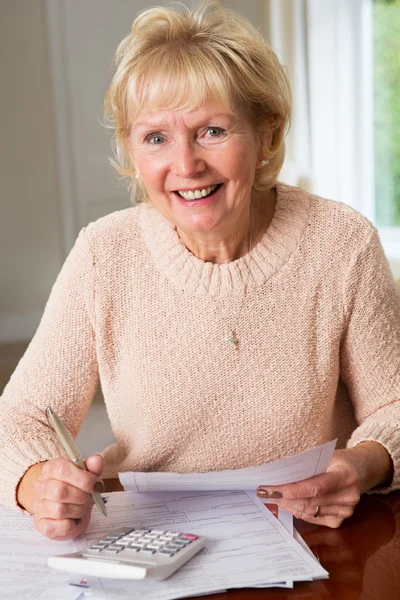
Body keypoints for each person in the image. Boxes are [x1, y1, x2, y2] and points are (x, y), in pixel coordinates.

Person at [1, 0, 399, 542]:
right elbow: (18, 418)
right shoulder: (104, 254)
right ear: (133, 154)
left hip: (313, 533)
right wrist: (38, 482)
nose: (186, 165)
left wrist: (362, 466)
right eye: (156, 138)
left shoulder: (340, 243)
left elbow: (395, 407)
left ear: (266, 137)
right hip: (154, 541)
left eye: (212, 130)